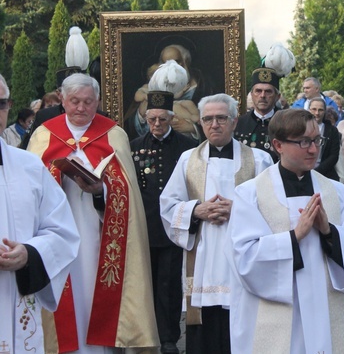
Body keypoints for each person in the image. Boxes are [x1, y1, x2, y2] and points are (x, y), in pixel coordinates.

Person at [228, 108, 344, 353]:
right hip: (277, 307)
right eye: (304, 142)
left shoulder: (335, 191)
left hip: (324, 304)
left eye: (316, 140)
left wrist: (328, 231)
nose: (313, 149)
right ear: (278, 144)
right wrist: (294, 237)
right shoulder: (251, 194)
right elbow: (242, 256)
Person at [27, 73, 159, 353]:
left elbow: (127, 191)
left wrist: (101, 190)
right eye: (74, 101)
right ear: (62, 100)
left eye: (88, 102)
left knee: (93, 295)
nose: (81, 108)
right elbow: (29, 190)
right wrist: (58, 176)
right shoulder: (43, 134)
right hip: (55, 235)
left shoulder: (113, 134)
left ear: (97, 101)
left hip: (99, 237)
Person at [160, 94, 273, 354]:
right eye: (208, 119)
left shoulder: (259, 160)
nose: (215, 124)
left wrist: (239, 210)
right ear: (200, 123)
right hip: (203, 261)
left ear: (234, 122)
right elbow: (167, 205)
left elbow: (273, 208)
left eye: (221, 118)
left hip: (243, 259)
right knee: (204, 335)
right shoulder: (189, 160)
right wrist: (196, 210)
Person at [0, 74, 80, 353]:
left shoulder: (30, 167)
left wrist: (29, 253)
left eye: (0, 104)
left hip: (15, 296)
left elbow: (62, 231)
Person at [130, 91, 199, 354]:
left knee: (169, 285)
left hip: (172, 225)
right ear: (146, 118)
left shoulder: (186, 146)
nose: (156, 125)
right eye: (151, 120)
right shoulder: (135, 145)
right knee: (145, 282)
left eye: (162, 119)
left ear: (171, 118)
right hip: (144, 224)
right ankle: (145, 334)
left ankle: (169, 336)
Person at [234, 67, 282, 162]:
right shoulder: (239, 123)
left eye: (268, 91)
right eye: (258, 91)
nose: (263, 95)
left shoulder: (286, 123)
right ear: (251, 94)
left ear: (277, 96)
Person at [308, 97, 340, 180]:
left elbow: (334, 155)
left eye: (320, 110)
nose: (317, 113)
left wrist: (318, 171)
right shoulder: (301, 128)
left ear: (325, 111)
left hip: (325, 173)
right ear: (309, 110)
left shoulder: (331, 130)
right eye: (314, 109)